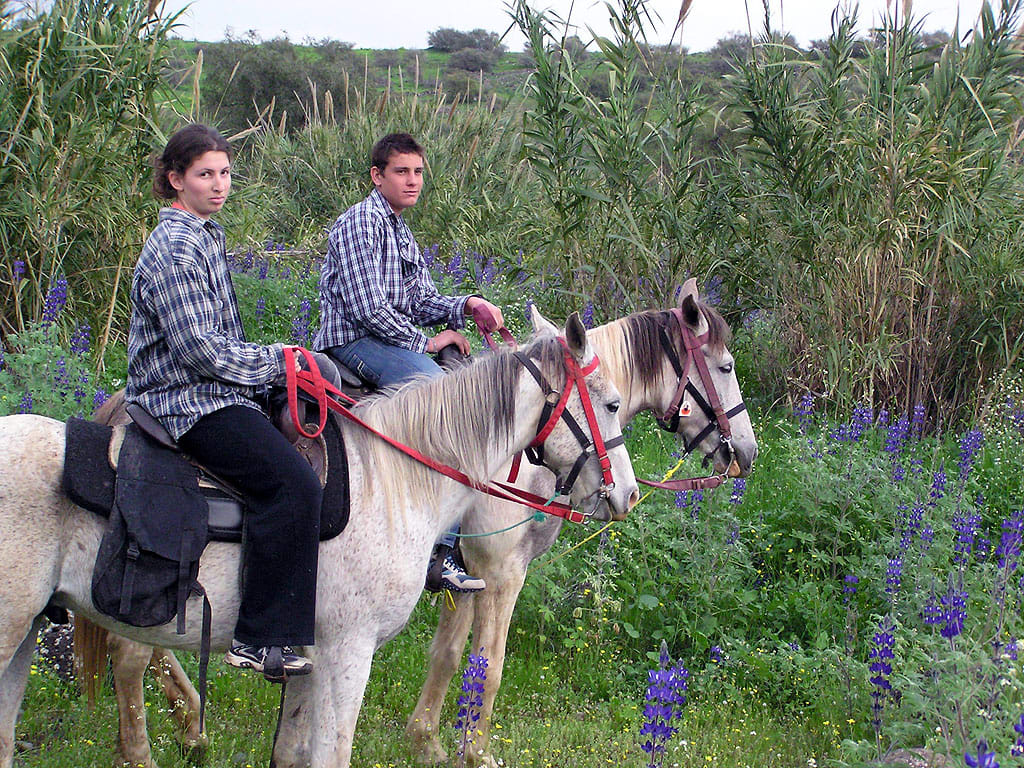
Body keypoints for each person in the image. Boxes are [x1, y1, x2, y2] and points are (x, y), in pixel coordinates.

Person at [126, 123, 326, 681]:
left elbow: (222, 342)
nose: (219, 185)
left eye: (225, 173)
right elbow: (201, 351)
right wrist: (281, 363)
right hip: (185, 398)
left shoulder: (204, 234)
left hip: (213, 387)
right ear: (175, 180)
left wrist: (277, 361)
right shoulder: (177, 249)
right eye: (204, 174)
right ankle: (259, 637)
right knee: (293, 485)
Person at [313, 132, 505, 593]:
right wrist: (427, 343)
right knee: (442, 400)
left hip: (386, 338)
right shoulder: (362, 223)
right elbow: (367, 309)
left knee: (468, 379)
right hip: (353, 341)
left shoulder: (398, 226)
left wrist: (466, 305)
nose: (412, 180)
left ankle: (451, 530)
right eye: (401, 171)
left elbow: (419, 298)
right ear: (377, 176)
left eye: (418, 172)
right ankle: (439, 553)